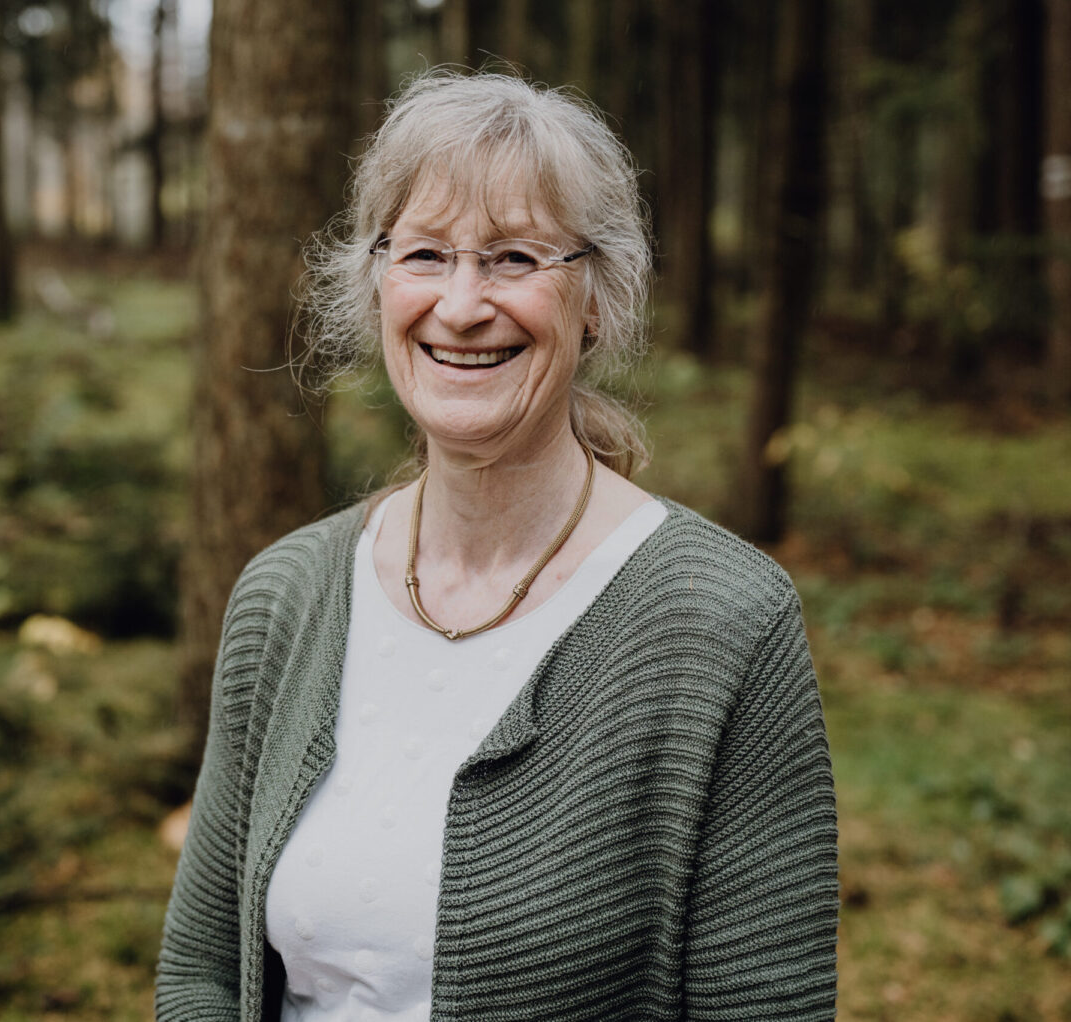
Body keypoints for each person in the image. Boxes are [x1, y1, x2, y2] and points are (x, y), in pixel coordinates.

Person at [156, 71, 837, 1022]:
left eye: (515, 257)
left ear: (596, 297)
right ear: (377, 284)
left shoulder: (721, 623)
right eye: (426, 254)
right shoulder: (286, 594)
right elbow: (200, 972)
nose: (463, 304)